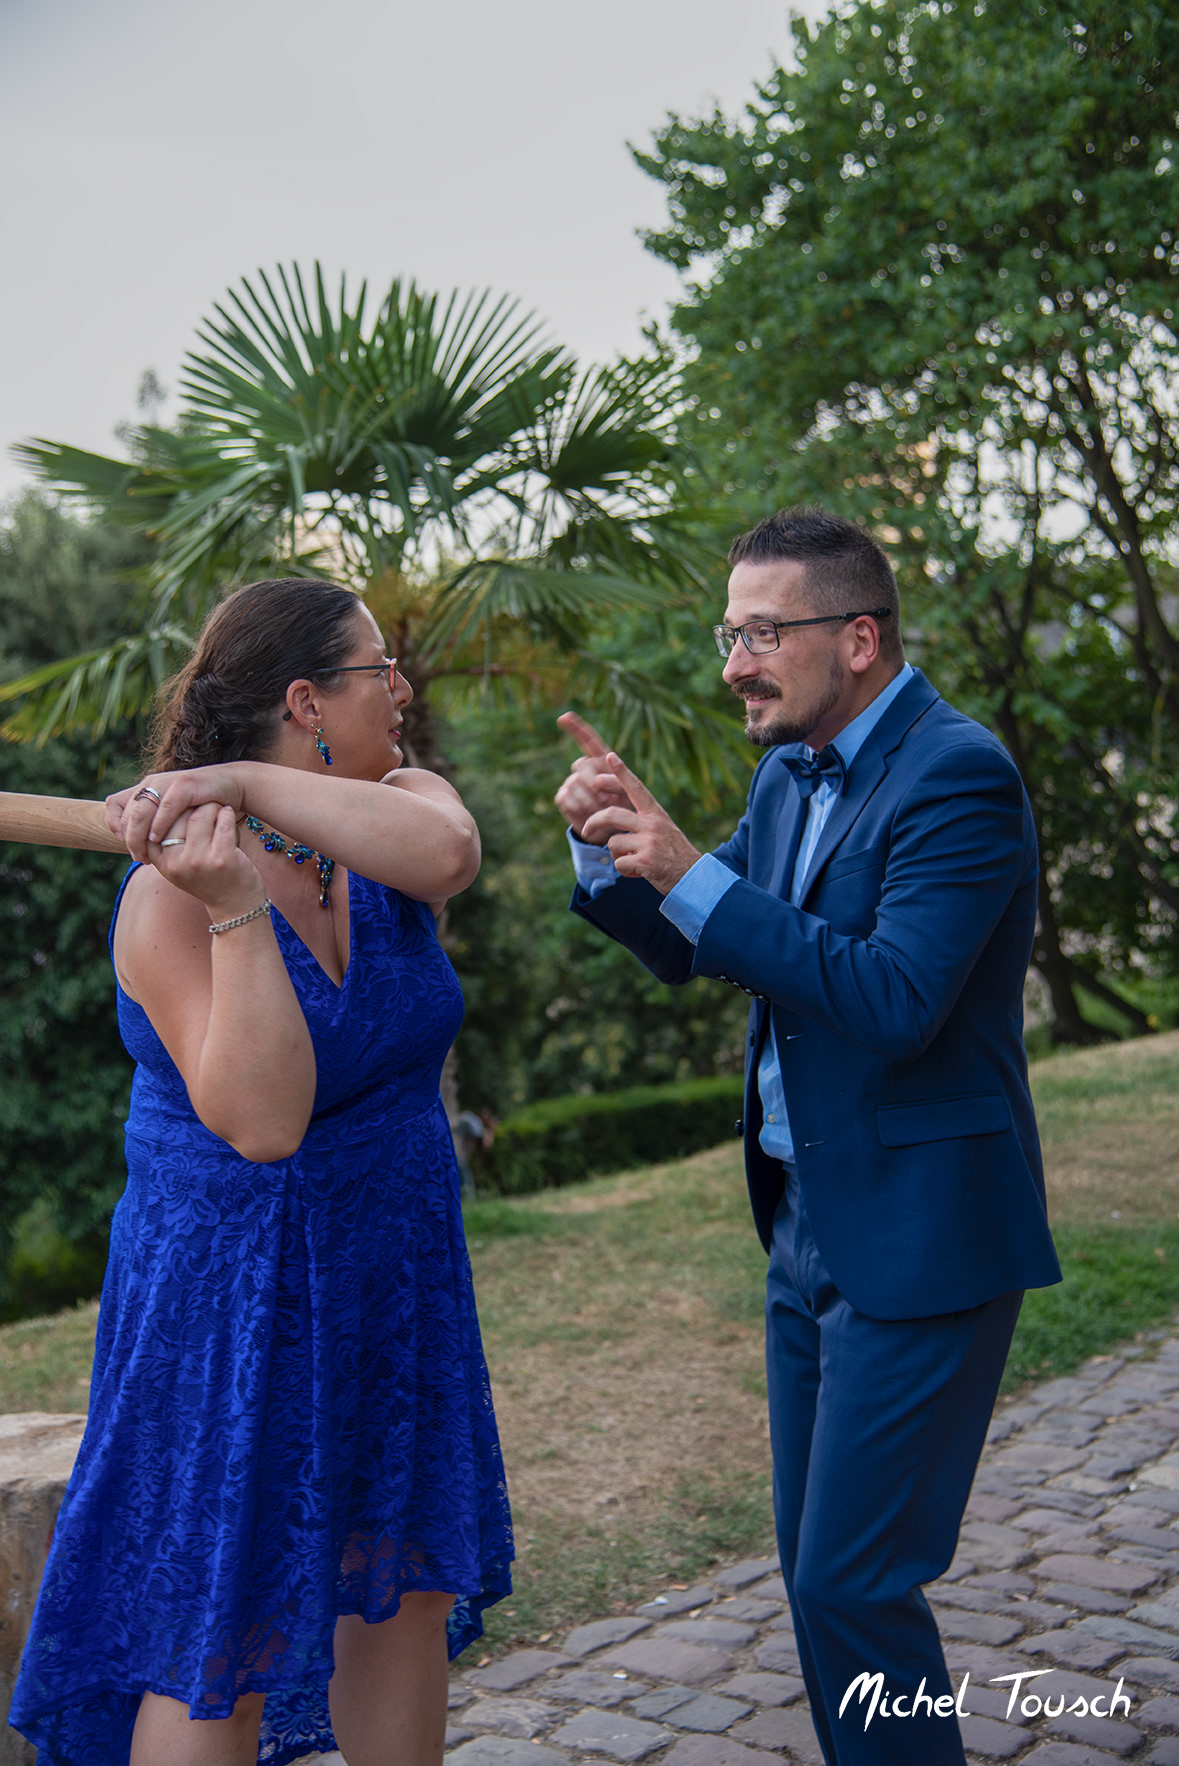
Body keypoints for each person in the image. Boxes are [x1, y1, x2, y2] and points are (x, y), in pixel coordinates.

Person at [554, 508, 1060, 1766]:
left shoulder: (960, 773)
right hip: (802, 1223)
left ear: (861, 638)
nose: (736, 662)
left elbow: (895, 997)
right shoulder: (788, 774)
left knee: (852, 1578)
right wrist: (610, 846)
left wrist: (692, 870)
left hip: (924, 1228)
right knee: (814, 1571)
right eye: (730, 633)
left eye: (764, 633)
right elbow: (701, 934)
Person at [10, 578, 513, 1766]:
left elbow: (450, 851)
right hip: (234, 1299)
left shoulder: (396, 809)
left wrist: (233, 781)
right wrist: (237, 905)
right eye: (378, 668)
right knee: (217, 1637)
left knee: (399, 1588)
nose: (402, 687)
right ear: (307, 700)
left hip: (393, 1276)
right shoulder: (167, 898)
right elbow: (267, 1119)